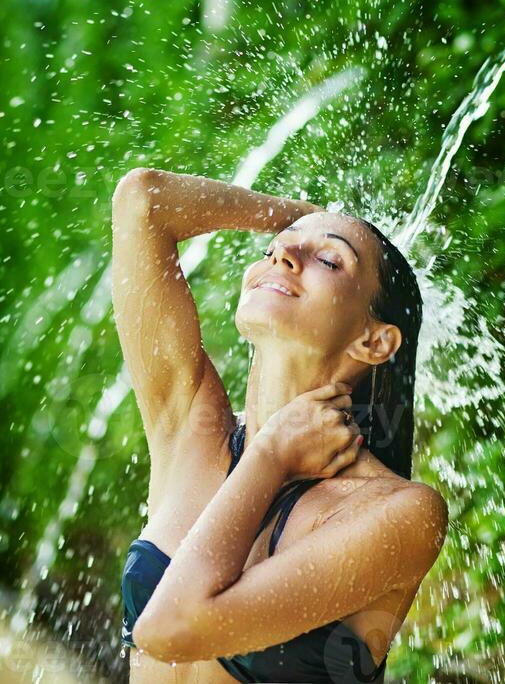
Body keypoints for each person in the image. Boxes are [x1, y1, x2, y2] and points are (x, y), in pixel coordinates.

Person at [112, 168, 447, 683]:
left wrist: (270, 456)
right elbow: (144, 201)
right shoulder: (193, 425)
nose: (282, 256)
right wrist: (298, 220)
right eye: (276, 249)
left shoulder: (399, 513)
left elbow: (169, 629)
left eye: (331, 260)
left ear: (375, 341)